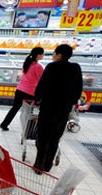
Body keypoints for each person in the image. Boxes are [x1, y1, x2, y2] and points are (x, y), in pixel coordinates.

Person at [33, 44, 82, 173]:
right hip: (63, 110)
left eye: (54, 53)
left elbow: (41, 85)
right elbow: (78, 88)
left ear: (59, 55)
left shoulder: (51, 67)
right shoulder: (76, 68)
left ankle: (38, 165)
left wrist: (37, 100)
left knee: (42, 137)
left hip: (48, 108)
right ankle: (47, 165)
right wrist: (71, 103)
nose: (53, 56)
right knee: (54, 138)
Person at [0, 47, 45, 131]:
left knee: (15, 108)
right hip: (30, 92)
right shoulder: (38, 67)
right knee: (35, 108)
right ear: (38, 55)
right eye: (42, 54)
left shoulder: (27, 63)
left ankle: (4, 124)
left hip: (20, 89)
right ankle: (32, 128)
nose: (43, 55)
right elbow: (42, 80)